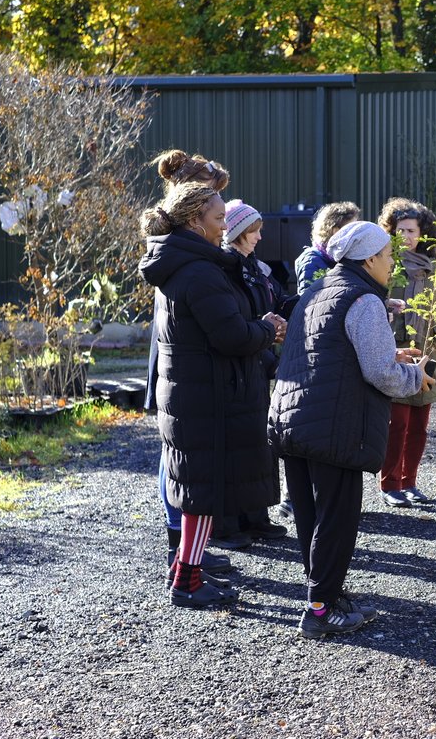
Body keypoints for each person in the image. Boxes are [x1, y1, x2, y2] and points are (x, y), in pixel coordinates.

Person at [269, 220, 434, 638]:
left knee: (311, 518)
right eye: (389, 255)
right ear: (370, 258)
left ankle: (326, 596)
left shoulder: (319, 290)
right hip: (334, 426)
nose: (393, 263)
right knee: (336, 519)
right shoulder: (363, 299)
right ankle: (320, 610)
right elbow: (380, 373)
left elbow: (333, 348)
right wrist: (415, 376)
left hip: (296, 420)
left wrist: (390, 353)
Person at [140, 182, 288, 608]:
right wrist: (267, 329)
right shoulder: (199, 271)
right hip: (203, 397)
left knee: (198, 494)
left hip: (194, 394)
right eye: (220, 219)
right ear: (194, 221)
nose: (226, 227)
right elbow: (231, 336)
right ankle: (186, 583)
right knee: (200, 498)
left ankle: (186, 572)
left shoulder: (185, 263)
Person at [144, 150, 237, 579]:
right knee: (179, 457)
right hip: (178, 357)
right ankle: (178, 546)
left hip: (177, 353)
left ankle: (187, 548)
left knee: (180, 454)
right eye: (216, 203)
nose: (223, 216)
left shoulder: (179, 245)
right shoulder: (182, 251)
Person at [210, 199, 299, 546]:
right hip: (238, 368)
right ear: (236, 233)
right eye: (254, 231)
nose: (260, 237)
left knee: (258, 445)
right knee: (236, 449)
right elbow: (234, 320)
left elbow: (277, 302)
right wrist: (266, 329)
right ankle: (228, 525)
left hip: (257, 364)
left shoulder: (256, 268)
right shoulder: (224, 269)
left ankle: (256, 517)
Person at [280, 200, 361, 521]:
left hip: (335, 350)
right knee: (306, 421)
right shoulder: (314, 259)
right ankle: (293, 496)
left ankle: (322, 495)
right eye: (349, 227)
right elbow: (313, 300)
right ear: (333, 229)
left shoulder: (341, 260)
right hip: (312, 350)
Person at [376, 198, 436, 507]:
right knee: (397, 423)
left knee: (419, 424)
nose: (406, 236)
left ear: (422, 232)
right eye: (400, 230)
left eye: (412, 231)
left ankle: (410, 482)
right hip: (397, 349)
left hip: (427, 348)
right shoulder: (386, 263)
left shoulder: (434, 265)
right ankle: (390, 484)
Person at [294, 201, 362, 293]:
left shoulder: (349, 257)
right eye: (351, 229)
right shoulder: (311, 260)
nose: (356, 234)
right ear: (335, 230)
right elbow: (308, 297)